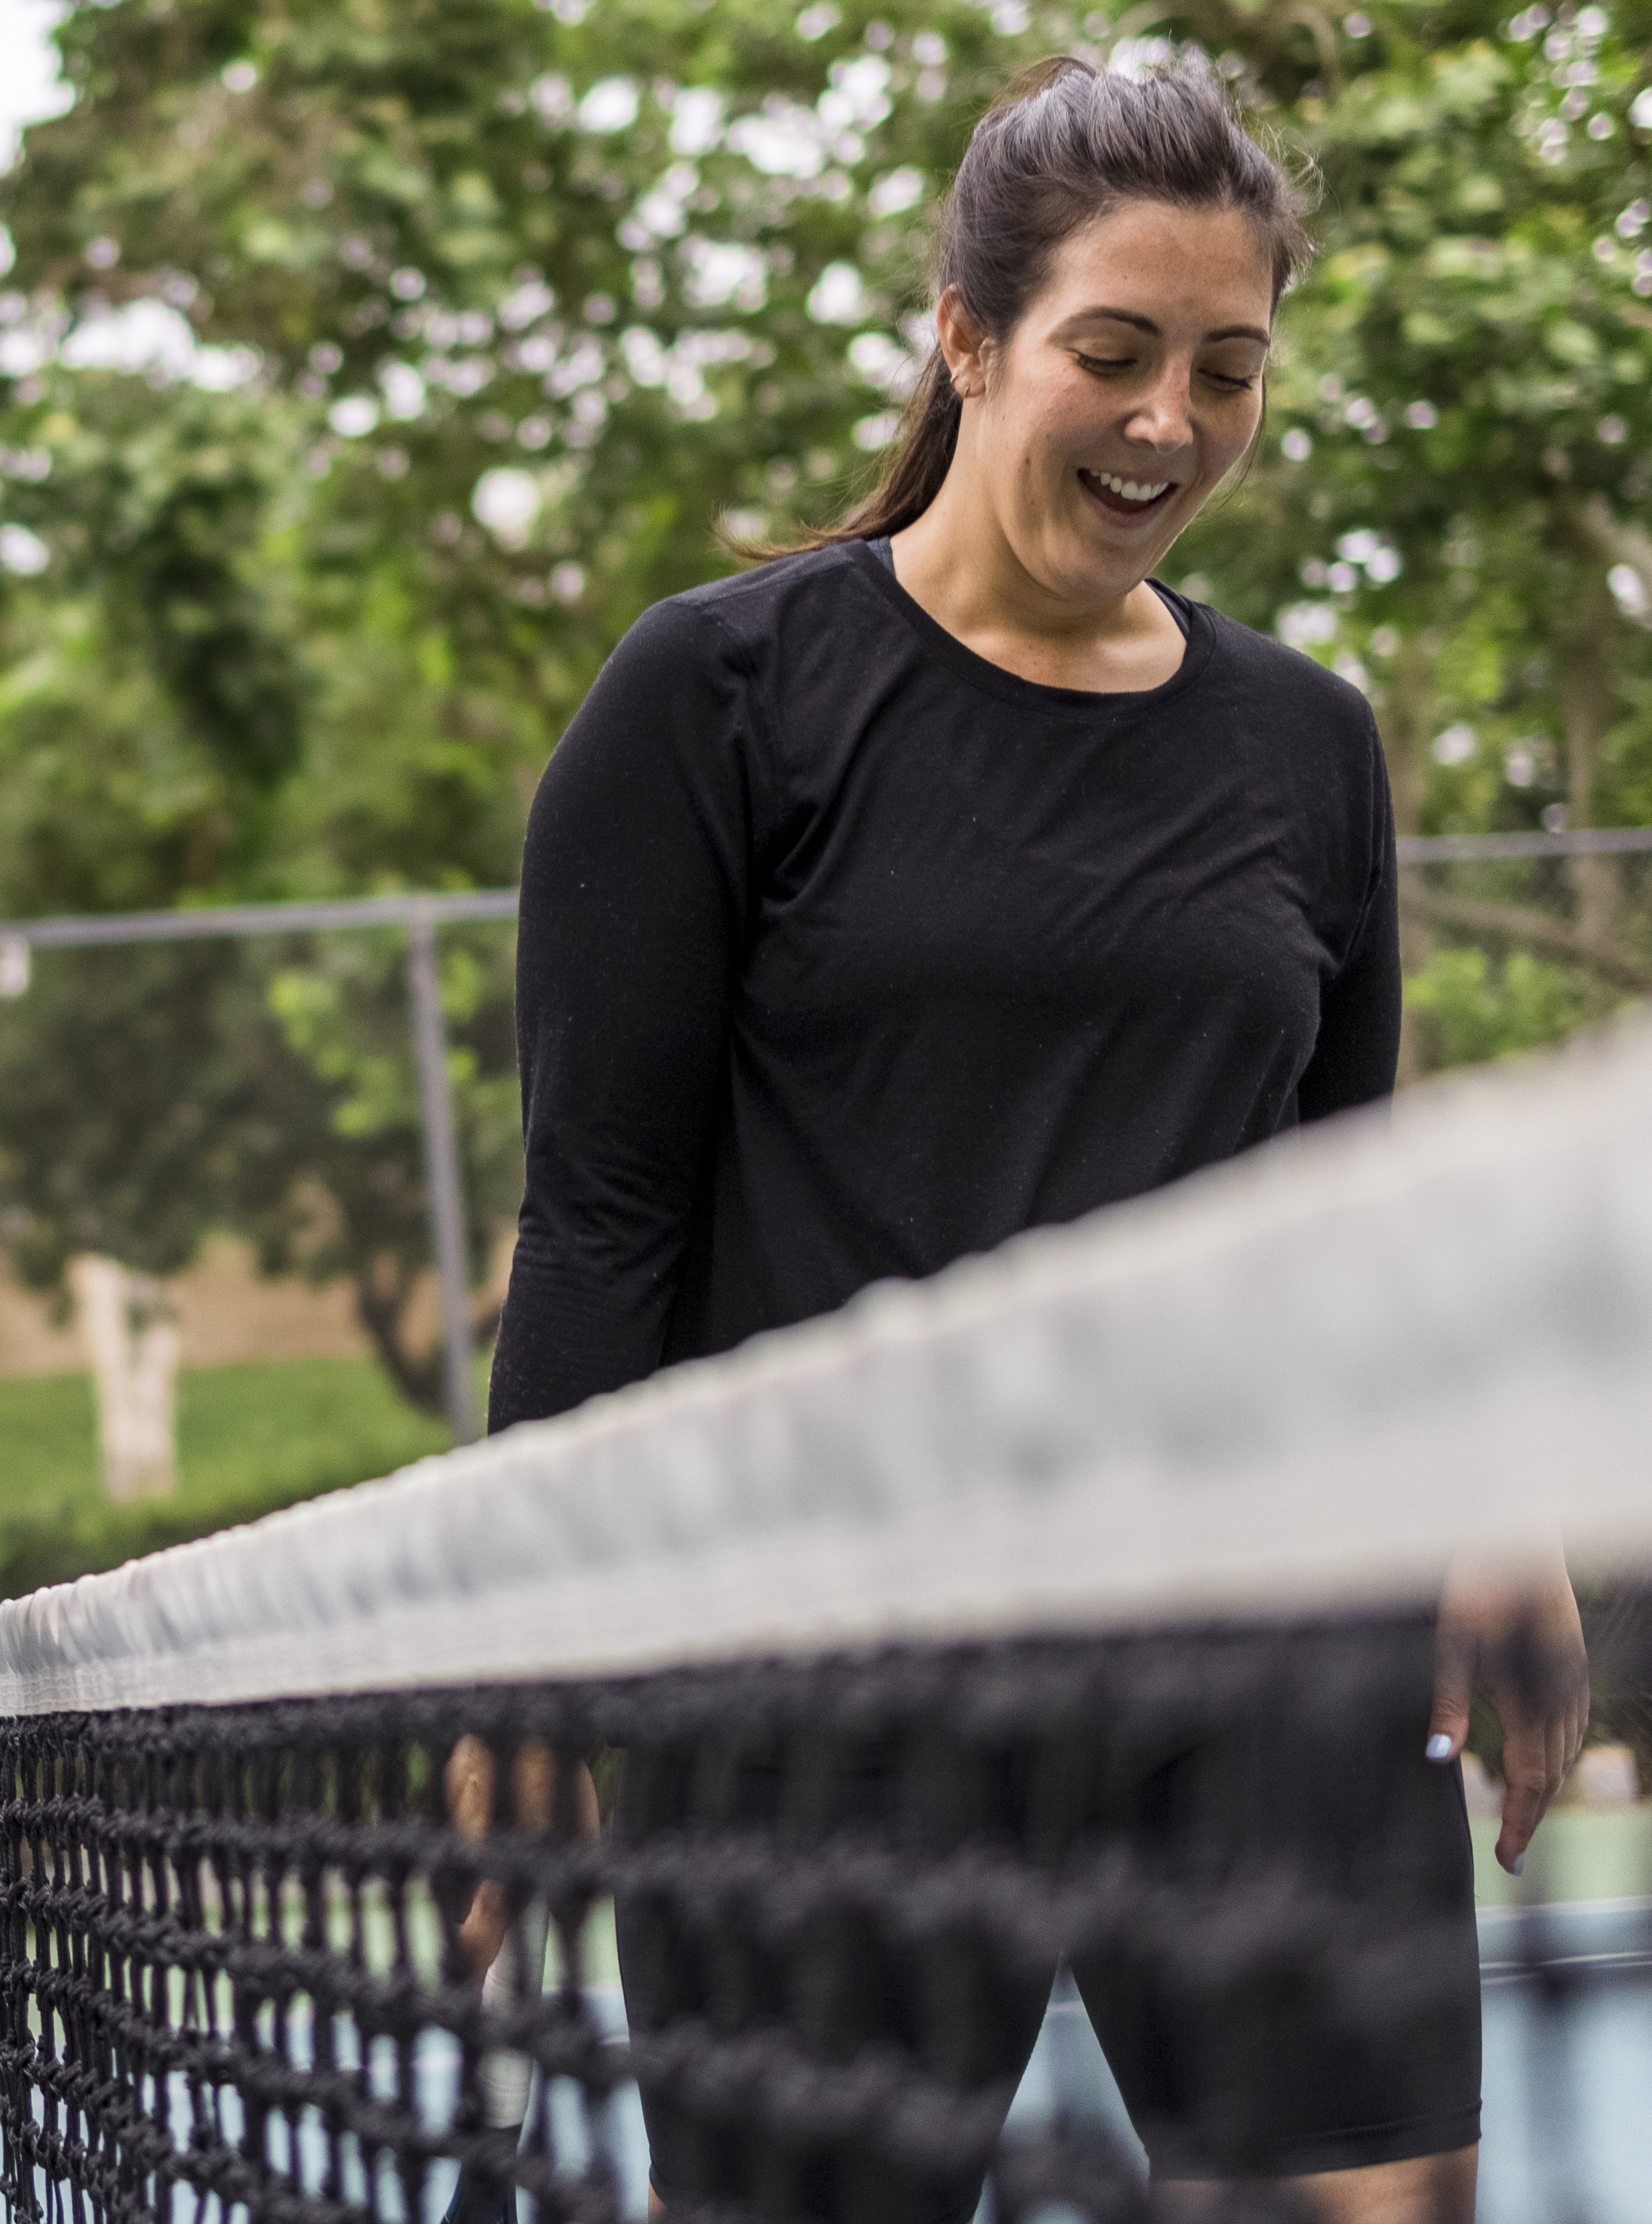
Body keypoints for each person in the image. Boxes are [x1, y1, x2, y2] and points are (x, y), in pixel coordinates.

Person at [491, 62, 1586, 2224]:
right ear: (971, 336)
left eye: (1227, 368)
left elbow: (1336, 1210)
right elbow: (602, 1224)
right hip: (827, 1703)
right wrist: (520, 1664)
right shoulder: (717, 699)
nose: (1169, 419)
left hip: (1265, 1648)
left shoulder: (1309, 744)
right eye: (1114, 352)